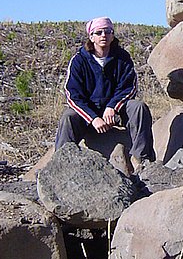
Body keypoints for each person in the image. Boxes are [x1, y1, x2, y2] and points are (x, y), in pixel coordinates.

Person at [55, 17, 155, 169]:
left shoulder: (122, 57)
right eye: (99, 32)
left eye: (108, 31)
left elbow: (129, 87)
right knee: (68, 117)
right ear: (91, 36)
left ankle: (143, 161)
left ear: (113, 35)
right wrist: (93, 118)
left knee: (138, 107)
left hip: (116, 111)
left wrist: (112, 106)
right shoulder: (79, 60)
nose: (104, 35)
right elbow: (73, 95)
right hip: (89, 114)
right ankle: (60, 165)